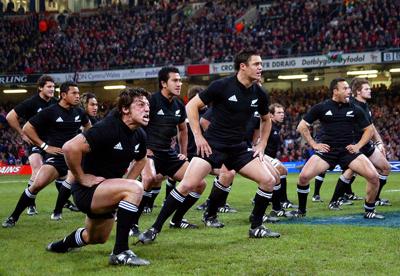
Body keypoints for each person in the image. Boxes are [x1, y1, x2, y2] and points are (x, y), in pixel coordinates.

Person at [138, 50, 280, 243]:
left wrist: (262, 144)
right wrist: (199, 137)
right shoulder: (222, 86)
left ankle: (256, 227)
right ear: (243, 66)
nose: (260, 67)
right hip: (213, 146)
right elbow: (191, 106)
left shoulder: (259, 93)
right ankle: (154, 229)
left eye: (261, 63)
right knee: (188, 184)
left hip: (238, 148)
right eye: (256, 64)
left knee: (269, 180)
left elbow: (266, 119)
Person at [46, 88, 151, 266]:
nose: (147, 109)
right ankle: (120, 252)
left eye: (148, 105)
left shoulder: (139, 134)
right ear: (125, 109)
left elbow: (141, 160)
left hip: (107, 190)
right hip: (88, 191)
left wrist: (125, 183)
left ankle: (59, 245)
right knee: (135, 187)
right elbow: (70, 148)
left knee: (95, 237)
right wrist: (81, 177)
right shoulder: (109, 127)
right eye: (141, 105)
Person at [289, 78, 383, 219]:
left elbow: (369, 130)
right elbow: (301, 126)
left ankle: (369, 211)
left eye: (348, 88)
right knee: (303, 177)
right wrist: (314, 144)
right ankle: (301, 211)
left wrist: (358, 146)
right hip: (328, 151)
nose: (349, 91)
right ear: (335, 91)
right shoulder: (321, 107)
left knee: (374, 177)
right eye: (345, 88)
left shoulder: (355, 108)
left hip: (348, 151)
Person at [2, 81, 90, 228]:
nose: (77, 96)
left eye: (78, 93)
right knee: (36, 186)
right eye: (74, 93)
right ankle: (13, 217)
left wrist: (85, 143)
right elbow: (27, 127)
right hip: (56, 158)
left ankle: (62, 211)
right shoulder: (51, 111)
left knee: (87, 183)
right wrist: (44, 146)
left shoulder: (79, 112)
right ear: (63, 95)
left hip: (74, 158)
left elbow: (89, 128)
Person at [131, 67, 206, 236]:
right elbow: (135, 126)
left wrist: (184, 153)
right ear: (163, 83)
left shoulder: (179, 104)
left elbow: (183, 130)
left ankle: (177, 220)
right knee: (149, 179)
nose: (179, 84)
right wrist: (143, 149)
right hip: (148, 152)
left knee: (199, 183)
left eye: (180, 80)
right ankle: (132, 224)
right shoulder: (151, 101)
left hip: (167, 153)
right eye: (175, 80)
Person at [327, 78, 391, 210]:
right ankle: (334, 201)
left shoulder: (365, 106)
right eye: (366, 89)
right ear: (358, 92)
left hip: (366, 145)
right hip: (355, 145)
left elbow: (371, 126)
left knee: (385, 168)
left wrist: (379, 142)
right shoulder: (350, 105)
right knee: (350, 172)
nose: (370, 91)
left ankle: (375, 198)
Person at [5, 75, 57, 216]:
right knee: (36, 168)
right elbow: (10, 116)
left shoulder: (56, 103)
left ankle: (63, 203)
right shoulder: (31, 102)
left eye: (53, 86)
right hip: (35, 141)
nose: (52, 89)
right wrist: (22, 134)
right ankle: (31, 205)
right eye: (49, 86)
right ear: (40, 87)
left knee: (62, 172)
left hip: (53, 142)